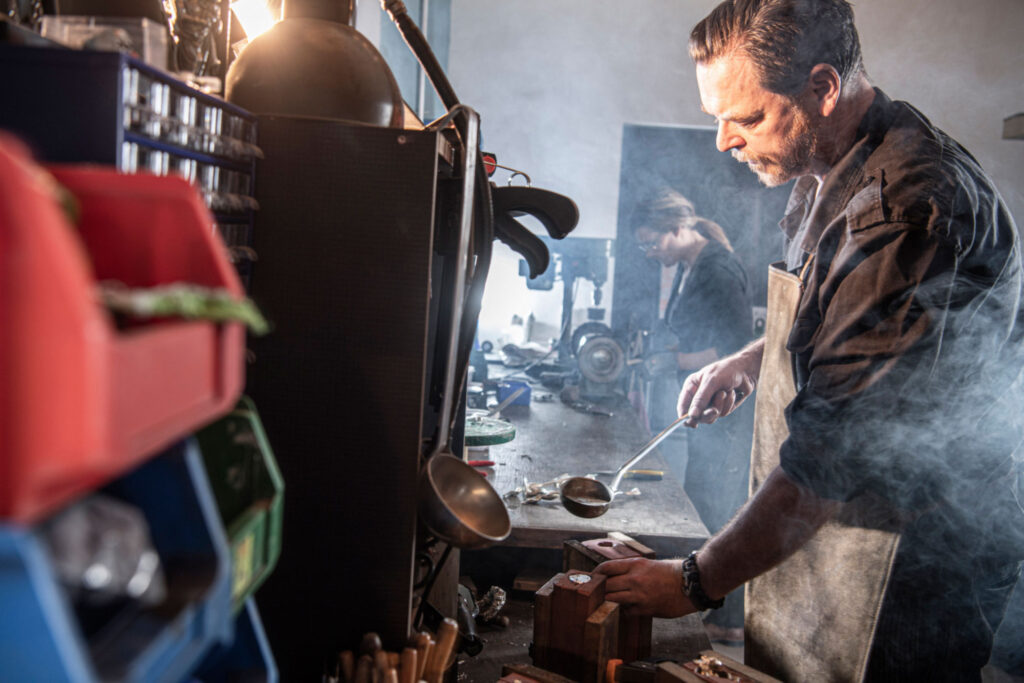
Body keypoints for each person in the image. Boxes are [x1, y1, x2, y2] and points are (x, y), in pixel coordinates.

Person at [594, 1, 1024, 681]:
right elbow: (838, 323)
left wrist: (690, 582)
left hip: (913, 566)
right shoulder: (833, 166)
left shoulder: (907, 209)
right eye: (716, 118)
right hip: (841, 532)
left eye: (747, 118)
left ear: (823, 88)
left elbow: (831, 457)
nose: (724, 142)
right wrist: (750, 358)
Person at [634, 189, 753, 643]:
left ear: (678, 228)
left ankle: (730, 622)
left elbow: (734, 348)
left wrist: (677, 362)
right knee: (705, 501)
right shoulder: (692, 265)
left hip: (730, 411)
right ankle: (718, 611)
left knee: (723, 510)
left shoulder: (717, 267)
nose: (650, 252)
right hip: (712, 408)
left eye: (653, 243)